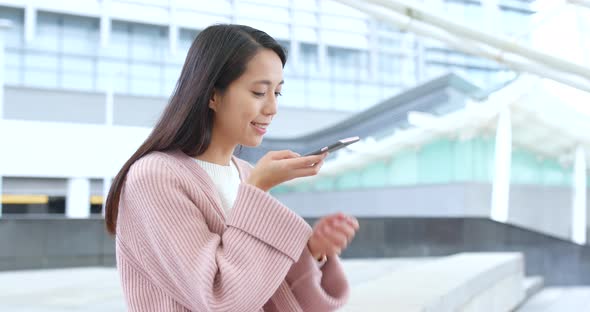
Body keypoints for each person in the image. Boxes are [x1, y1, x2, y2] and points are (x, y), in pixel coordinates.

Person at [104, 24, 359, 312]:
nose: (273, 107)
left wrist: (312, 252)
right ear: (212, 95)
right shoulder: (155, 177)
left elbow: (270, 297)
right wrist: (258, 190)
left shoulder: (245, 173)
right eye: (259, 92)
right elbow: (220, 298)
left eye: (278, 92)